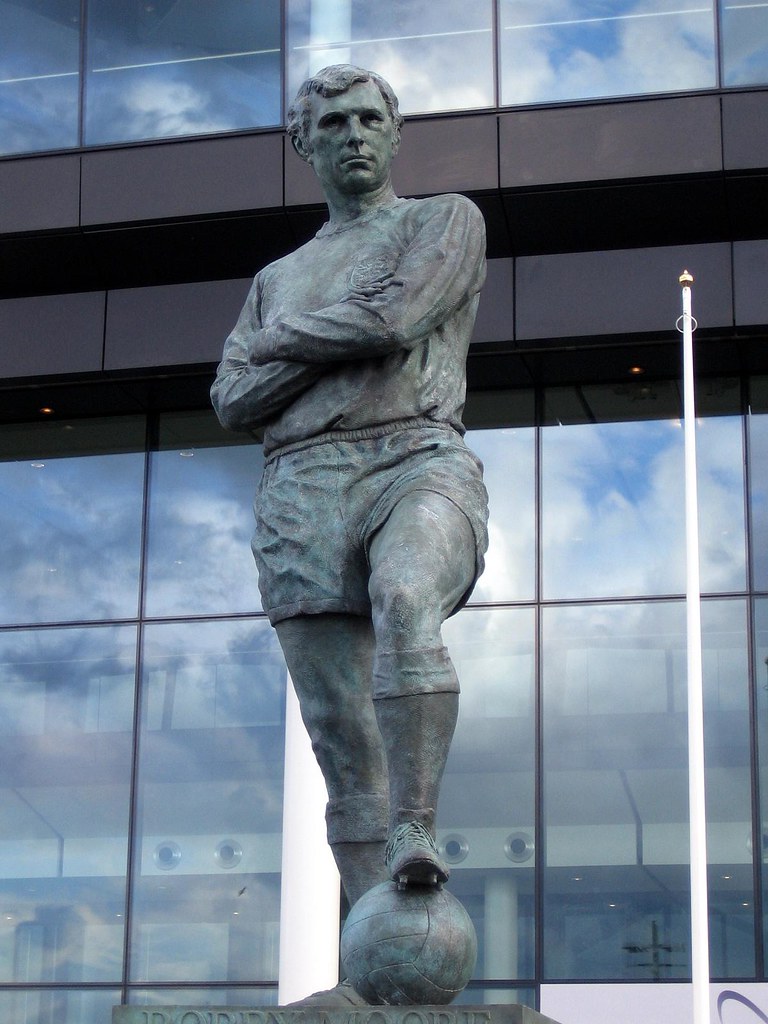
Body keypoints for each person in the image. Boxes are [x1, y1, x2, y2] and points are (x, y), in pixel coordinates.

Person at [211, 64, 489, 1003]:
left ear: (395, 132)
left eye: (371, 118)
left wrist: (285, 344)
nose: (355, 134)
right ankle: (382, 965)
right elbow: (231, 398)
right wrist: (334, 335)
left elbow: (399, 316)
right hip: (299, 487)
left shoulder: (443, 221)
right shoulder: (275, 279)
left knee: (407, 594)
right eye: (333, 123)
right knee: (338, 736)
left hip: (414, 454)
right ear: (305, 143)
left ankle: (416, 824)